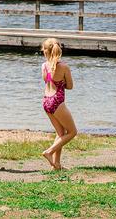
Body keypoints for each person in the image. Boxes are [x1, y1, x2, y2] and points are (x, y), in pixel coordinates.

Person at [39, 37, 76, 169]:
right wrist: (63, 82)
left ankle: (56, 165)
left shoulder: (44, 66)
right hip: (57, 101)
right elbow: (70, 86)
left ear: (45, 51)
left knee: (61, 133)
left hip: (46, 101)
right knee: (72, 132)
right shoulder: (64, 67)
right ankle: (49, 151)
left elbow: (48, 80)